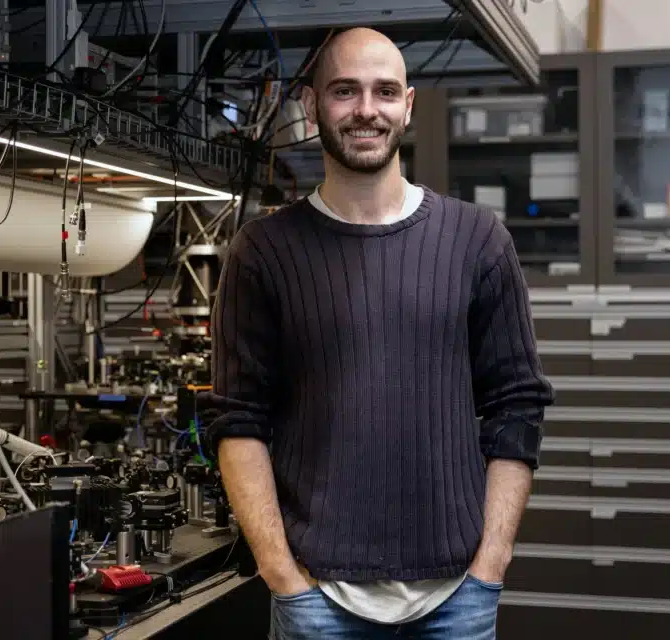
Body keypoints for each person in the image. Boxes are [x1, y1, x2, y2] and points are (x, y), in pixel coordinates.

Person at [204, 27, 555, 639]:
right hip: (317, 603)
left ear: (407, 105)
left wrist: (490, 566)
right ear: (311, 105)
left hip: (456, 601)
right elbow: (238, 421)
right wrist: (281, 574)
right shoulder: (263, 252)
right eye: (345, 91)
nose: (367, 109)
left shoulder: (478, 240)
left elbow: (516, 408)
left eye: (385, 91)